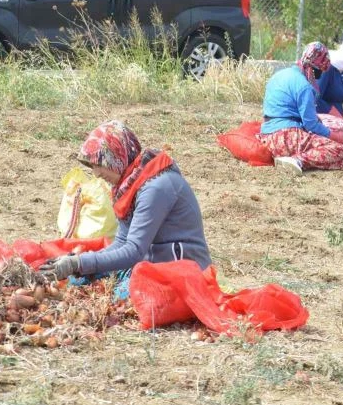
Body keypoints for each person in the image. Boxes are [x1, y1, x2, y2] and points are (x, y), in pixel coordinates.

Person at [38, 120, 212, 298]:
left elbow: (133, 251)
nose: (96, 173)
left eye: (99, 163)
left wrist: (78, 263)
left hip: (183, 268)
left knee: (123, 295)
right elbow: (121, 242)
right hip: (152, 261)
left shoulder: (156, 187)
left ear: (117, 155)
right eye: (93, 167)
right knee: (79, 280)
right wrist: (77, 264)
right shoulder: (129, 186)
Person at [259, 42, 343, 175]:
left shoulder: (279, 75)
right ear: (314, 68)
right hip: (285, 137)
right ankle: (297, 160)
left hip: (267, 135)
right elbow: (311, 125)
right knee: (340, 150)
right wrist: (336, 136)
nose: (319, 76)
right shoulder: (304, 86)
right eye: (320, 71)